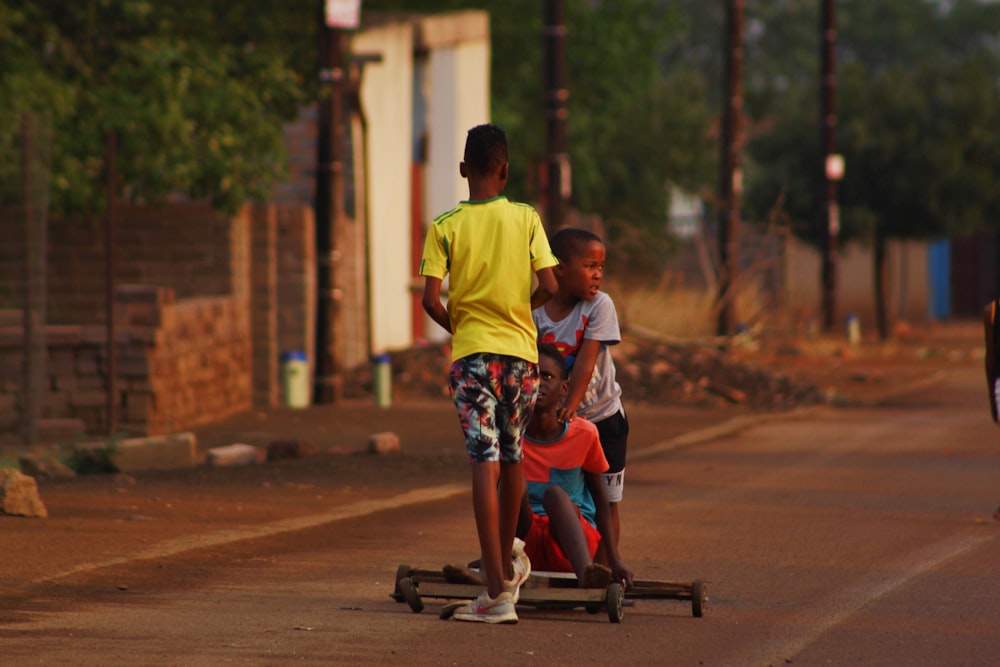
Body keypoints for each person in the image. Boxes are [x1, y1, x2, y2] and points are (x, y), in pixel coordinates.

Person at [420, 123, 559, 624]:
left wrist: (460, 326)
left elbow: (430, 300)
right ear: (505, 170)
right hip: (521, 358)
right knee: (515, 456)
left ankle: (495, 588)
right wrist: (521, 310)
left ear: (463, 171)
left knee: (484, 462)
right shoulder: (526, 217)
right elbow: (549, 282)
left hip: (473, 357)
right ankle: (507, 576)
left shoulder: (445, 225)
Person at [533, 227, 629, 546]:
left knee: (607, 501)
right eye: (590, 266)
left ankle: (609, 570)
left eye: (601, 267)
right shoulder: (533, 312)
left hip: (602, 418)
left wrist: (570, 407)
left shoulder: (599, 306)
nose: (598, 275)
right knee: (561, 497)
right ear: (559, 267)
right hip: (557, 426)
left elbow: (587, 362)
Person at [517, 342, 633, 588]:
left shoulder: (584, 434)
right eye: (531, 374)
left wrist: (613, 560)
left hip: (571, 542)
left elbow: (602, 502)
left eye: (547, 376)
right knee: (512, 484)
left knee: (555, 495)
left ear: (564, 388)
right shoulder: (512, 434)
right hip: (526, 544)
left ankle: (586, 575)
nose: (538, 382)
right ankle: (496, 563)